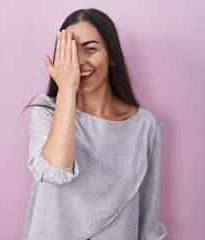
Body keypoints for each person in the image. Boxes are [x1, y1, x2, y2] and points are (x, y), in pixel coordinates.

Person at [23, 8, 168, 240]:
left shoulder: (145, 126)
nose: (79, 61)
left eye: (90, 49)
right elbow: (56, 170)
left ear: (111, 55)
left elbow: (148, 223)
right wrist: (67, 89)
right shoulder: (46, 111)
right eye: (69, 52)